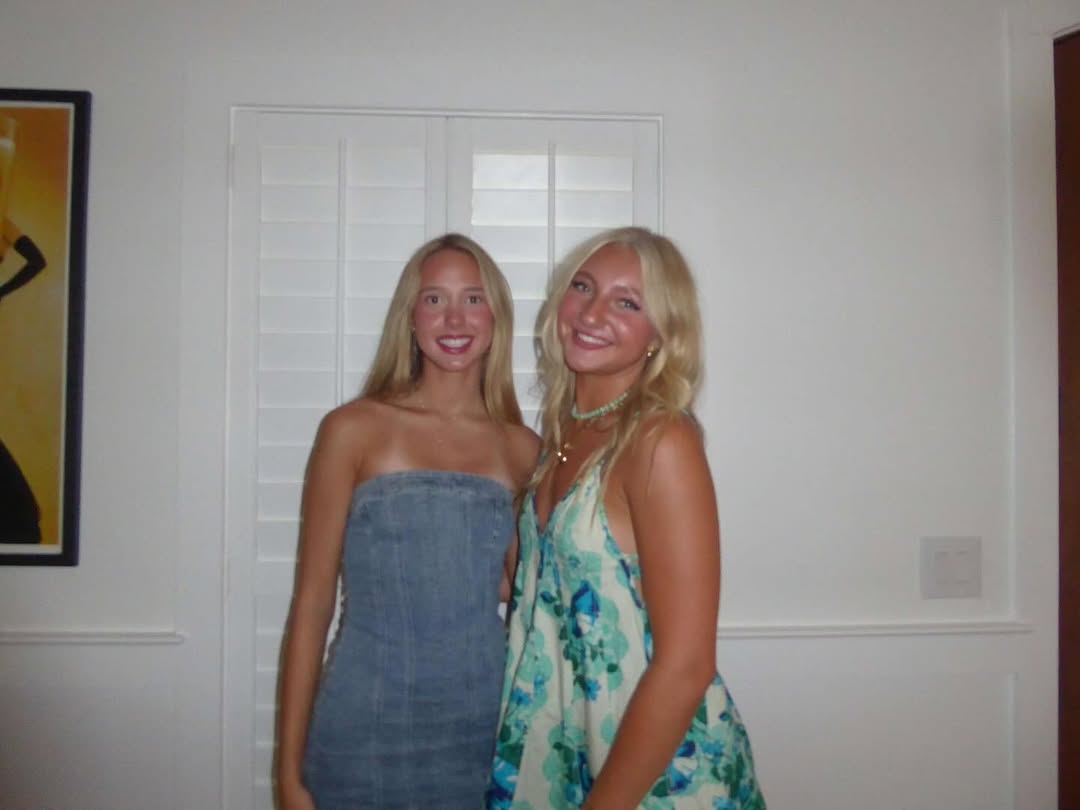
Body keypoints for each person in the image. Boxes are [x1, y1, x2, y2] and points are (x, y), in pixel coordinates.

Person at [486, 227, 766, 809]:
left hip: (653, 772)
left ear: (660, 335)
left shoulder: (661, 441)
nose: (592, 313)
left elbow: (687, 665)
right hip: (563, 751)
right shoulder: (561, 435)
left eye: (628, 303)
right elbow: (536, 593)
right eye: (583, 287)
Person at [276, 233, 540, 810]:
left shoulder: (522, 449)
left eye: (473, 299)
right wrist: (288, 775)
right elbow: (312, 604)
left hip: (483, 734)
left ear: (496, 316)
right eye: (434, 299)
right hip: (361, 730)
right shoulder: (352, 429)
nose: (455, 319)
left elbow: (526, 596)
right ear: (411, 317)